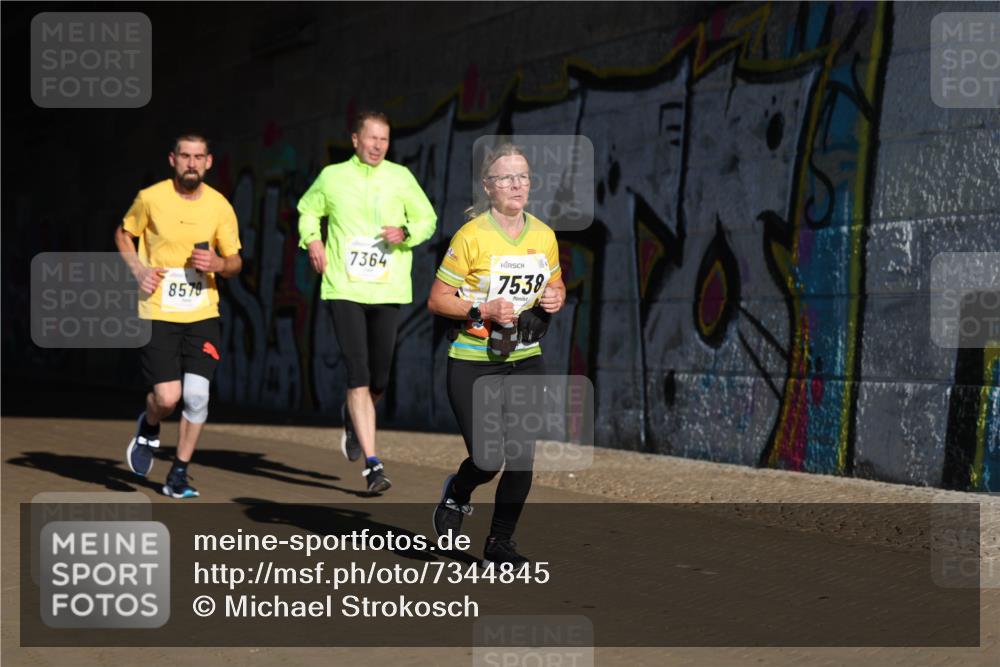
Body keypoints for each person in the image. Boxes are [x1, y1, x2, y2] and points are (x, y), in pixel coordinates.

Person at [427, 143, 566, 566]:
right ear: (488, 187)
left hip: (525, 358)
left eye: (522, 176)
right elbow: (437, 300)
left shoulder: (543, 235)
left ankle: (499, 544)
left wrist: (555, 300)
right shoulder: (471, 236)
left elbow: (555, 286)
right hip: (473, 362)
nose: (516, 184)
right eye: (506, 177)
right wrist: (481, 309)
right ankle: (458, 492)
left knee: (522, 456)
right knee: (488, 459)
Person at [298, 111, 436, 494]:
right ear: (355, 139)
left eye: (384, 140)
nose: (377, 146)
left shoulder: (400, 177)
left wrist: (404, 232)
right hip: (344, 286)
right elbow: (308, 209)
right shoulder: (332, 177)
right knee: (357, 372)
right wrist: (312, 239)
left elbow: (427, 219)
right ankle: (373, 465)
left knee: (379, 377)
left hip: (387, 287)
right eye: (371, 138)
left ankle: (352, 417)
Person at [115, 132, 242, 499]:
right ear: (173, 160)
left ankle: (179, 474)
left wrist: (219, 262)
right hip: (159, 310)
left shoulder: (219, 206)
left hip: (203, 311)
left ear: (208, 162)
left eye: (198, 157)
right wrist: (138, 270)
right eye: (184, 156)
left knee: (198, 397)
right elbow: (124, 234)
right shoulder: (150, 198)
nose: (191, 163)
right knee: (168, 398)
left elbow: (235, 261)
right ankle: (150, 423)